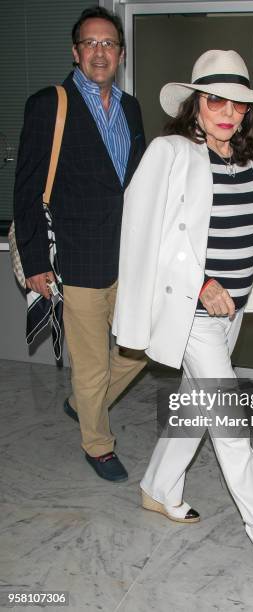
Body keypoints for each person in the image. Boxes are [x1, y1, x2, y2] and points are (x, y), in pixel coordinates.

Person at [113, 50, 253, 582]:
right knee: (231, 430)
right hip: (192, 315)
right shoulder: (169, 153)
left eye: (237, 103)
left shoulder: (245, 162)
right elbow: (144, 233)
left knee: (198, 410)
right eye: (216, 99)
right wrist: (199, 282)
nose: (227, 111)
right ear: (196, 103)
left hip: (231, 314)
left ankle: (158, 488)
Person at [13, 6, 147, 482]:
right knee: (90, 365)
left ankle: (81, 404)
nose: (99, 52)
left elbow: (136, 184)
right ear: (75, 52)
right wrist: (35, 261)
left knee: (139, 349)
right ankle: (98, 444)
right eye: (90, 43)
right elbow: (27, 187)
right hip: (76, 256)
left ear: (121, 54)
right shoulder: (49, 103)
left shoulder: (131, 107)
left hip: (127, 258)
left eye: (108, 43)